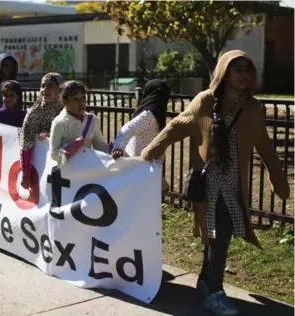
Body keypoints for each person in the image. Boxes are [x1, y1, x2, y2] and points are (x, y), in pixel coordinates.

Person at [140, 50, 290, 316]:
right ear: (223, 72)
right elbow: (177, 126)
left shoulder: (253, 108)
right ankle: (214, 292)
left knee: (218, 237)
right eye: (238, 69)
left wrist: (278, 178)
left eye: (248, 70)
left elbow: (264, 146)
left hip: (235, 187)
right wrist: (149, 151)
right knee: (218, 236)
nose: (244, 75)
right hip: (209, 185)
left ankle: (206, 283)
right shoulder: (205, 101)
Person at [112, 79, 170, 192]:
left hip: (145, 165)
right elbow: (128, 128)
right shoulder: (149, 114)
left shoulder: (155, 113)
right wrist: (118, 147)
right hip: (138, 165)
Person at [19, 73, 64, 189]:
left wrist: (52, 134)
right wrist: (26, 175)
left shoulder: (66, 109)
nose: (45, 90)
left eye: (50, 86)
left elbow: (75, 134)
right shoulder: (34, 112)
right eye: (42, 86)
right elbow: (25, 143)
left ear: (60, 89)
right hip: (42, 167)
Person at [49, 80, 109, 165]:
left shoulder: (92, 119)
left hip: (87, 170)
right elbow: (53, 153)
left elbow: (100, 145)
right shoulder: (59, 123)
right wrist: (68, 150)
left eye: (83, 98)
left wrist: (112, 152)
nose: (81, 102)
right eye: (75, 99)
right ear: (65, 102)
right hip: (69, 173)